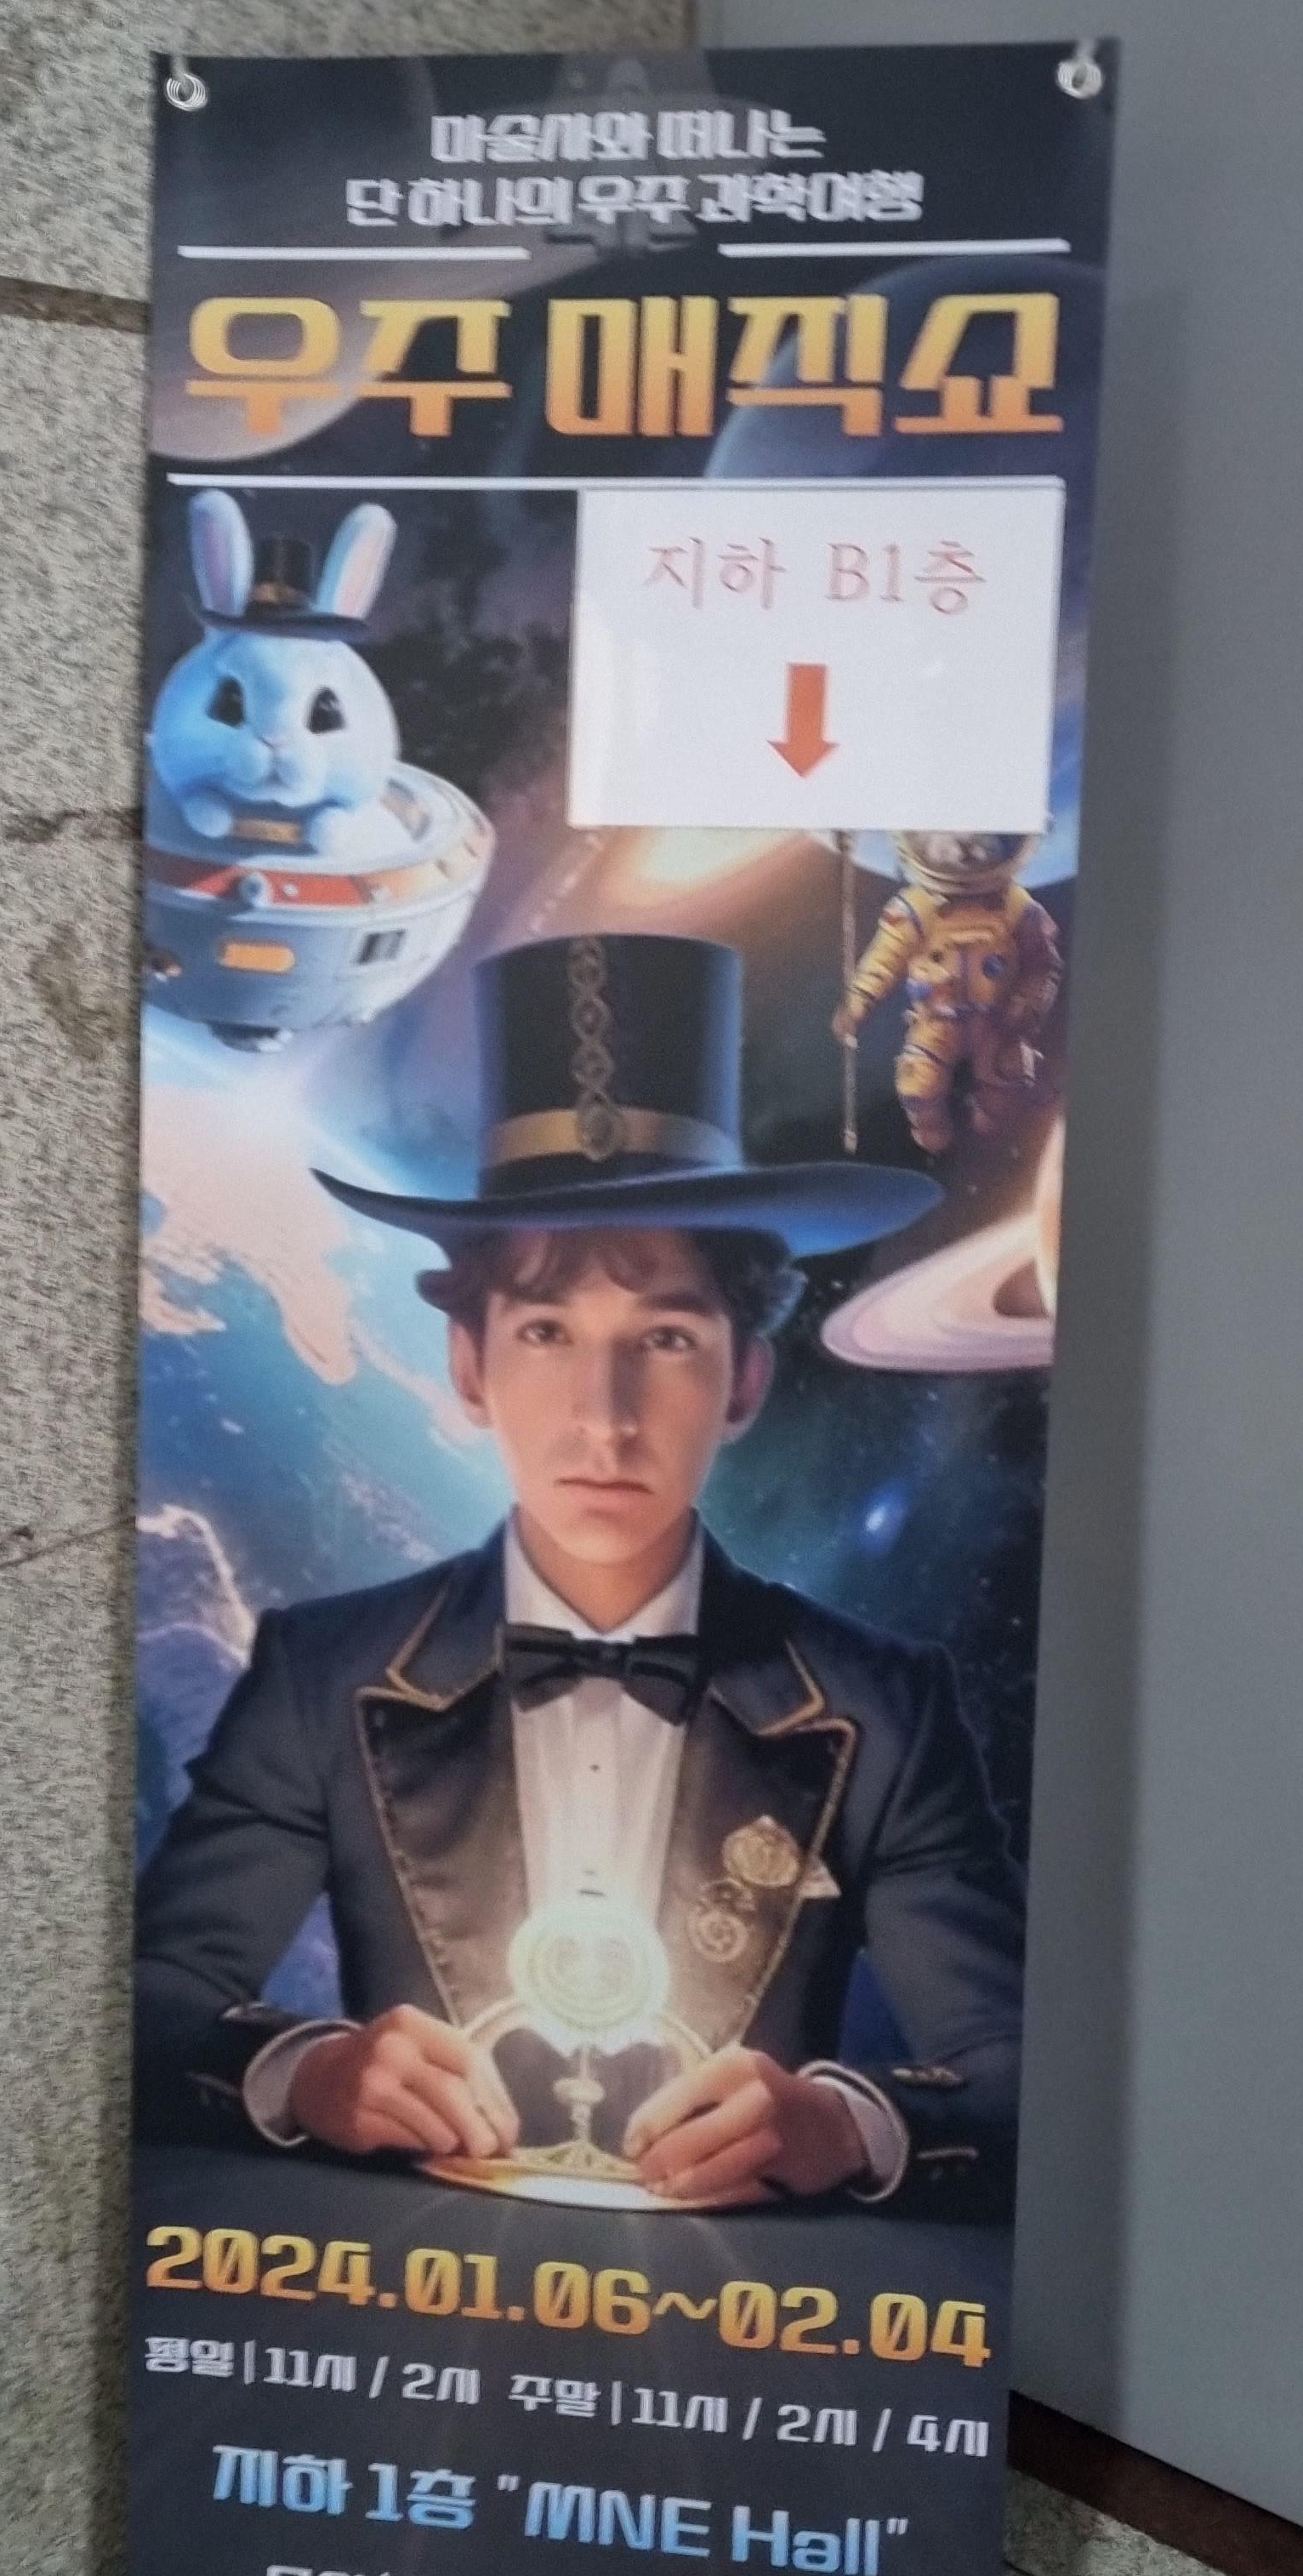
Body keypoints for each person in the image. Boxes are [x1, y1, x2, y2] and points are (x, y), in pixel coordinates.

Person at [134, 932, 1027, 2214]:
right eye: (548, 1331)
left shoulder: (884, 1709)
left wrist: (845, 2121)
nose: (605, 1419)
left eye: (665, 1339)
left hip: (755, 2315)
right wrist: (305, 2070)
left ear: (745, 1381)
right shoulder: (321, 1674)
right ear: (470, 1368)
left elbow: (1012, 2069)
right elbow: (152, 1999)